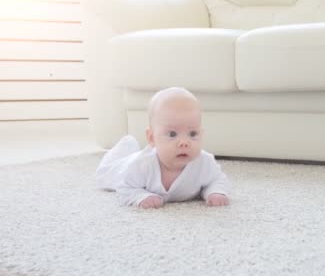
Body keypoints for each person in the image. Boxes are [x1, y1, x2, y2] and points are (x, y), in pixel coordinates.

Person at [95, 87, 230, 208]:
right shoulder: (141, 165)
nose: (184, 142)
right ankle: (127, 144)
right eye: (172, 134)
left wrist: (215, 192)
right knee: (104, 174)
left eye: (192, 134)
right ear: (151, 138)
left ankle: (132, 146)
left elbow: (217, 180)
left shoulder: (204, 162)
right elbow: (124, 186)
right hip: (120, 168)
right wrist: (141, 196)